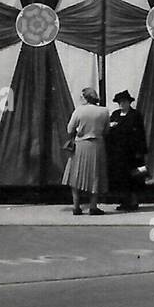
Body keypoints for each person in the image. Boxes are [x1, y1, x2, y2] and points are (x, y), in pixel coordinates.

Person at [63, 87, 109, 215]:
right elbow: (106, 130)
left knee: (76, 176)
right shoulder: (104, 111)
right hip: (97, 145)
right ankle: (93, 206)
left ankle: (76, 206)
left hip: (81, 145)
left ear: (85, 97)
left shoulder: (79, 110)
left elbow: (69, 129)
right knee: (95, 175)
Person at [105, 89, 148, 212]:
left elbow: (140, 133)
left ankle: (133, 201)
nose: (122, 104)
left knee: (134, 177)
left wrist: (140, 151)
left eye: (124, 102)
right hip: (118, 153)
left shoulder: (135, 115)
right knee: (120, 177)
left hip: (132, 152)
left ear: (129, 102)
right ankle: (123, 201)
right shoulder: (115, 114)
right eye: (120, 102)